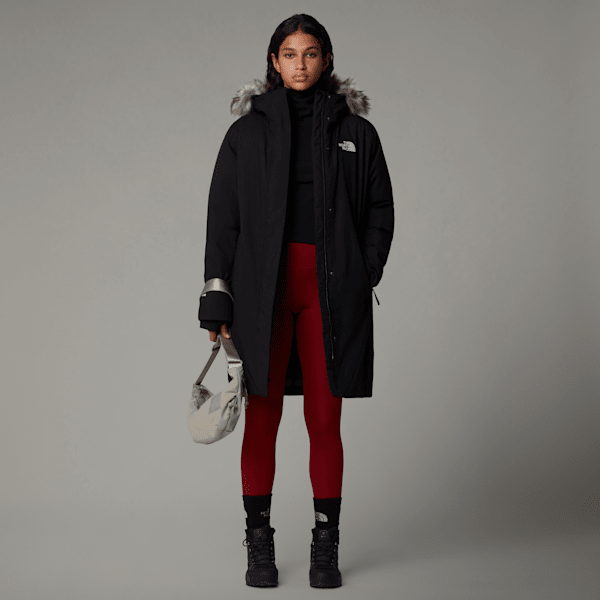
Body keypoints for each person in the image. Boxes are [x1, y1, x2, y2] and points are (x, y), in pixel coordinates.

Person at [198, 13, 394, 589]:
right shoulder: (246, 135)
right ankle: (259, 544)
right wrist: (217, 298)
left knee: (325, 419)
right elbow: (222, 219)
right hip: (265, 294)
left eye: (310, 53)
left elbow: (381, 209)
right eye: (289, 54)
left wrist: (363, 271)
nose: (300, 63)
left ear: (326, 60)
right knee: (263, 416)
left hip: (331, 294)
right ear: (274, 62)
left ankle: (325, 547)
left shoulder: (357, 132)